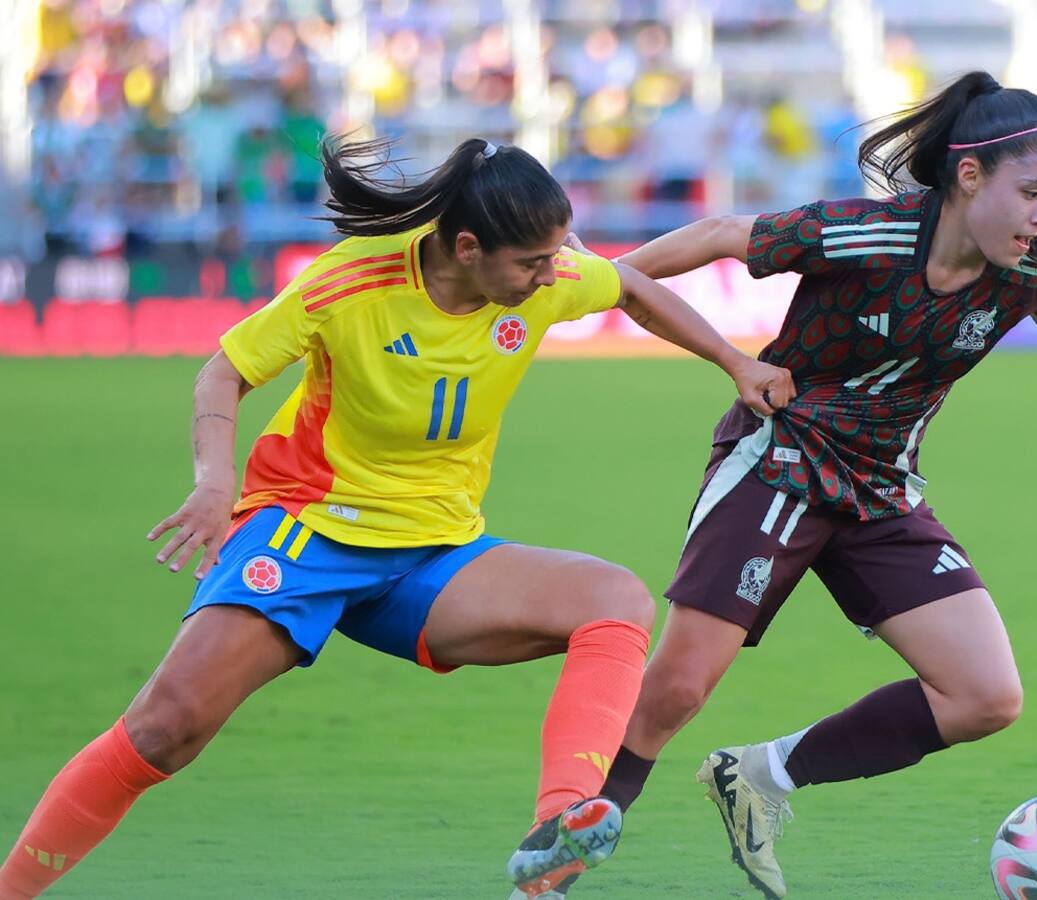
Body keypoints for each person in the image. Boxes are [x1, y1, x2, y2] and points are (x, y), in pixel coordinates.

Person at [0, 136, 796, 900]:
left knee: (614, 599)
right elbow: (222, 375)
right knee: (164, 729)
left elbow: (628, 287)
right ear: (465, 248)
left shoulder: (545, 280)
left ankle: (555, 830)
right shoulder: (348, 283)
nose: (553, 275)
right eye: (531, 262)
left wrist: (735, 362)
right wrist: (214, 486)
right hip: (307, 531)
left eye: (556, 257)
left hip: (434, 552)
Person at [590, 71, 1037, 899]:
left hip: (882, 489)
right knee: (679, 689)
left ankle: (761, 777)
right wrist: (605, 280)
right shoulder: (862, 236)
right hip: (779, 463)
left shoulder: (1034, 269)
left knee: (986, 696)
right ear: (969, 176)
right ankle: (579, 835)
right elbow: (731, 232)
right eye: (1033, 192)